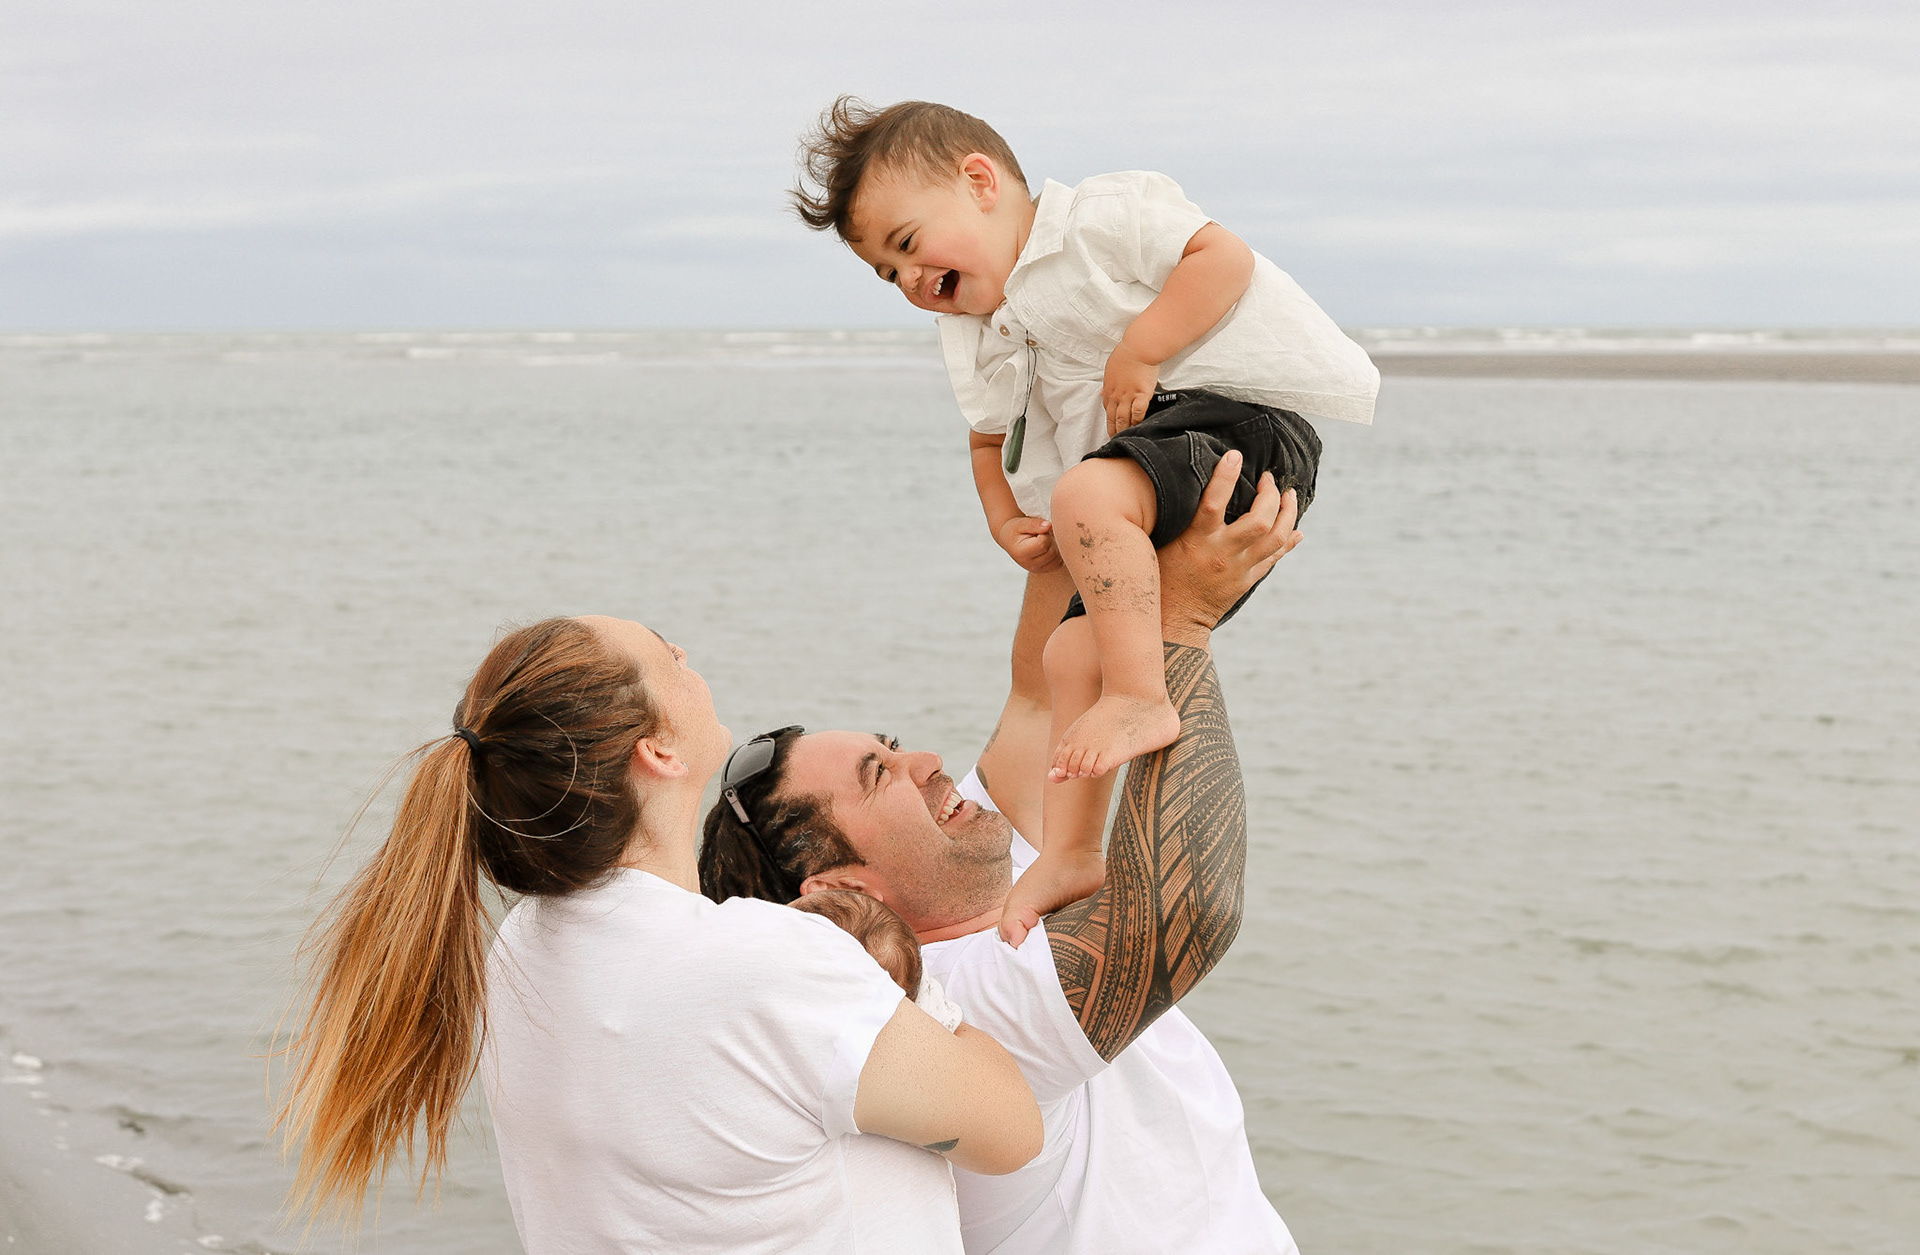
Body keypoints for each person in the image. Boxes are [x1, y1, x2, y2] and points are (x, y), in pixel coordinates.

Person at [791, 96, 1379, 944]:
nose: (910, 280)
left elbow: (1222, 258)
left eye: (909, 243)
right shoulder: (979, 331)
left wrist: (1141, 348)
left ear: (981, 182)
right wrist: (1003, 518)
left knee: (1082, 498)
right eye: (888, 274)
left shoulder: (1094, 221)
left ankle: (1142, 696)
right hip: (1138, 477)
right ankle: (1071, 851)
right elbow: (986, 435)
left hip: (1238, 423)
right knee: (1066, 653)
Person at [275, 615, 1042, 1251]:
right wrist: (887, 963)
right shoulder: (769, 963)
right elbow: (1011, 1129)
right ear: (660, 751)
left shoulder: (520, 951)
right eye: (664, 651)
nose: (683, 650)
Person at [701, 458, 1307, 1255]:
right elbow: (1187, 905)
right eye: (881, 774)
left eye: (892, 743)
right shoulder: (949, 1010)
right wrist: (1183, 625)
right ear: (844, 886)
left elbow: (1037, 691)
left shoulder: (984, 866)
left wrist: (1079, 494)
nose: (926, 762)